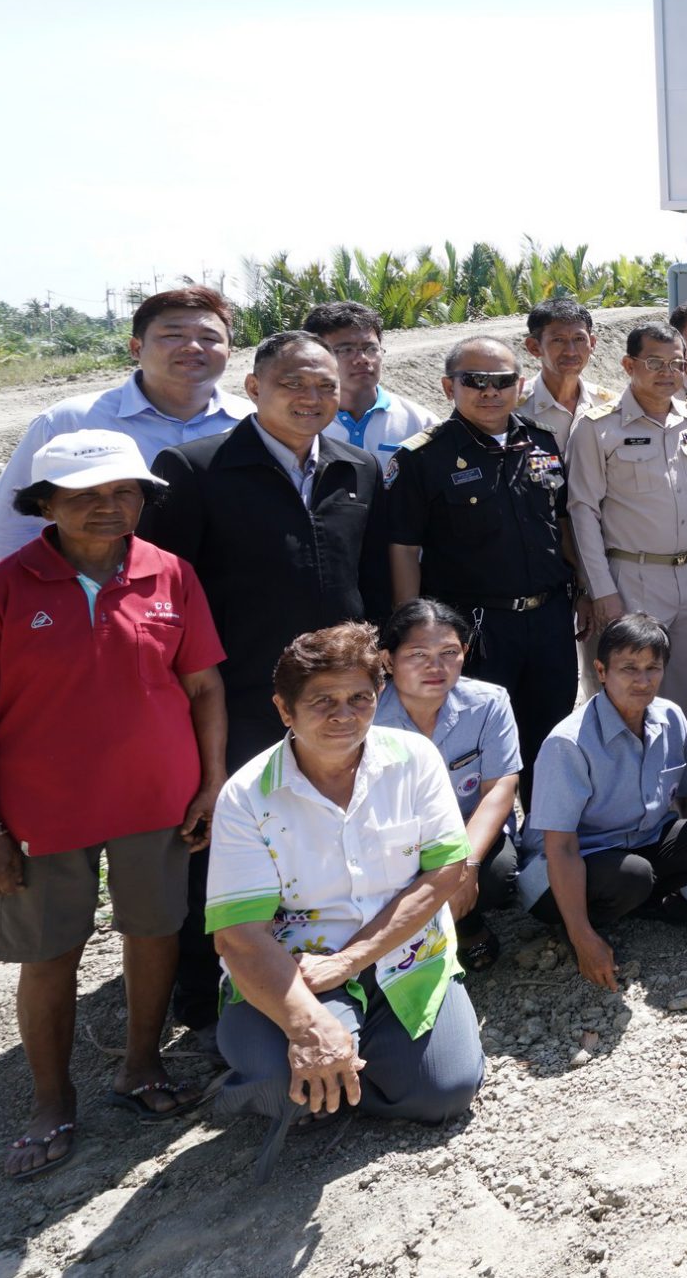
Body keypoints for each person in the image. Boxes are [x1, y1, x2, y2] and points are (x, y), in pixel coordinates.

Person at [0, 432, 227, 1176]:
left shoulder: (170, 573)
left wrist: (210, 784)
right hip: (42, 813)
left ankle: (140, 1067)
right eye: (86, 495)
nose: (109, 507)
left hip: (157, 802)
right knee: (48, 954)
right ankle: (51, 1101)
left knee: (155, 933)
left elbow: (203, 687)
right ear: (45, 505)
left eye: (124, 491)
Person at [140, 330, 389, 1029]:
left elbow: (371, 577)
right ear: (253, 388)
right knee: (228, 831)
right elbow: (166, 590)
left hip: (340, 696)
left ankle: (323, 956)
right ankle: (204, 987)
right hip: (241, 691)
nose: (311, 398)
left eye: (325, 386)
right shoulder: (196, 468)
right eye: (293, 384)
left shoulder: (357, 467)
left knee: (326, 819)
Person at [205, 624, 485, 1138]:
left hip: (406, 955)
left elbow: (445, 871)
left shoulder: (414, 759)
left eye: (360, 697)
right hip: (297, 971)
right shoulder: (247, 796)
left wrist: (349, 960)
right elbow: (240, 936)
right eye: (322, 701)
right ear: (284, 709)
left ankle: (348, 1074)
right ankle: (332, 1068)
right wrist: (308, 1026)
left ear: (379, 696)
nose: (344, 714)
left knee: (445, 1091)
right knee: (279, 1088)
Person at [386, 337, 580, 779]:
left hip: (549, 617)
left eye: (502, 381)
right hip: (476, 626)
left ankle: (545, 818)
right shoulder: (423, 456)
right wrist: (409, 628)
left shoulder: (541, 441)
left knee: (551, 731)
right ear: (448, 387)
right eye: (474, 381)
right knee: (477, 741)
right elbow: (403, 548)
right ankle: (489, 822)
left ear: (520, 385)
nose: (490, 391)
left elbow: (562, 521)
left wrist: (582, 590)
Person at [0, 286, 248, 568]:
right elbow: (10, 528)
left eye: (209, 338)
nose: (192, 346)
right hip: (105, 592)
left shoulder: (252, 423)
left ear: (229, 353)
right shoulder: (70, 421)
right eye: (173, 335)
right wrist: (9, 593)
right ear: (136, 348)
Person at [523, 616, 687, 986]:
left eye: (653, 668)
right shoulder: (568, 743)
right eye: (629, 668)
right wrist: (583, 938)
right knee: (633, 877)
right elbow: (561, 848)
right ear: (601, 671)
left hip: (637, 843)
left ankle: (642, 901)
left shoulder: (671, 717)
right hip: (567, 864)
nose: (643, 680)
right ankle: (577, 925)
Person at [565, 322, 687, 720]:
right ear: (629, 365)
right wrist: (601, 589)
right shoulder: (598, 427)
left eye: (676, 363)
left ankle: (682, 758)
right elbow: (583, 512)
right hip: (633, 576)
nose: (667, 372)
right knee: (629, 685)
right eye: (655, 363)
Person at [373, 601, 521, 972]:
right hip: (394, 840)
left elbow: (500, 787)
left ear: (465, 653)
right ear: (388, 660)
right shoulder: (366, 715)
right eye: (418, 654)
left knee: (498, 874)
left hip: (463, 831)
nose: (436, 666)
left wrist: (466, 864)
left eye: (449, 653)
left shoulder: (489, 704)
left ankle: (462, 922)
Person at [306, 300, 443, 472]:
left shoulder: (421, 423)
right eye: (346, 350)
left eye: (371, 349)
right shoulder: (301, 424)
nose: (362, 359)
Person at [516, 298, 617, 449]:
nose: (570, 351)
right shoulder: (513, 410)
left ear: (592, 344)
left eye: (579, 339)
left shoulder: (610, 406)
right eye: (558, 340)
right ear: (534, 347)